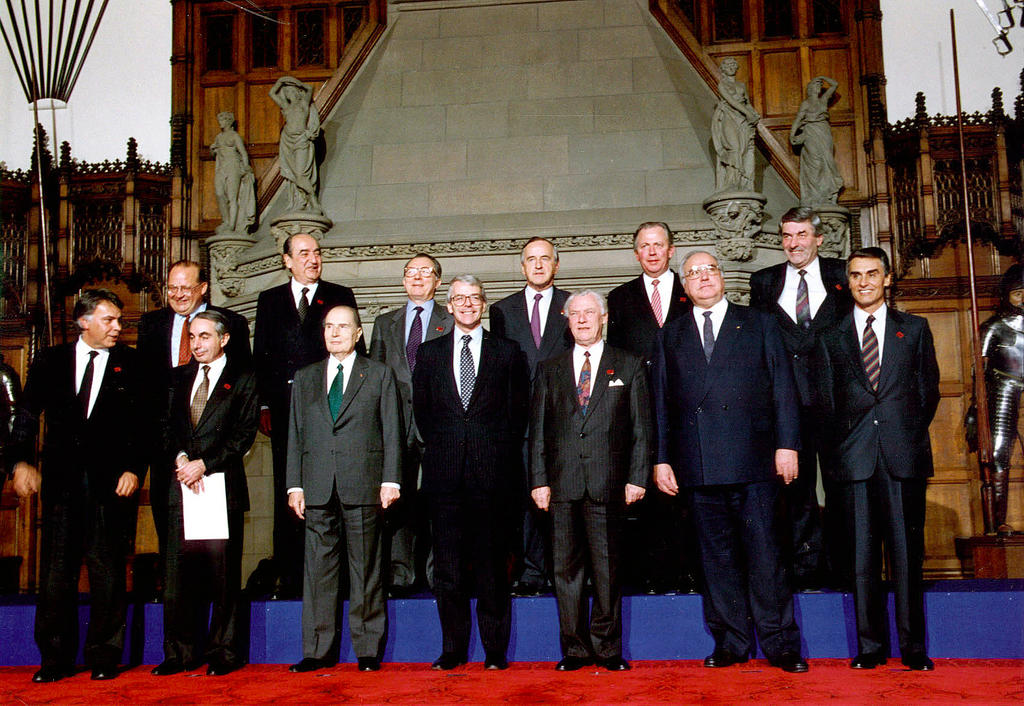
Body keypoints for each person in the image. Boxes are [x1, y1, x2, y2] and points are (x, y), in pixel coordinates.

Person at [651, 252, 808, 674]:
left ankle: (780, 643)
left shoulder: (760, 323)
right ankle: (731, 641)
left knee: (765, 556)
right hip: (697, 464)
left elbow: (783, 388)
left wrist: (787, 444)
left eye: (710, 270)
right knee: (715, 559)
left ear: (722, 277)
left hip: (756, 461)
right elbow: (661, 404)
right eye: (693, 273)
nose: (703, 278)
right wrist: (662, 458)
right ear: (684, 286)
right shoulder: (671, 334)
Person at [815, 247, 939, 671]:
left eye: (872, 274)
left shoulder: (916, 329)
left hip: (903, 457)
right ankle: (870, 647)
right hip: (853, 461)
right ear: (846, 282)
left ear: (887, 279)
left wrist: (898, 432)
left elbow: (928, 394)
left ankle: (913, 648)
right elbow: (825, 404)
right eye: (855, 275)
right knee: (861, 558)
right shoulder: (830, 337)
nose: (864, 282)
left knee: (907, 556)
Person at [11, 289, 143, 682]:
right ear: (84, 321)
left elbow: (144, 425)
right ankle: (54, 659)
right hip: (62, 486)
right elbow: (26, 415)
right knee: (56, 574)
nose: (118, 327)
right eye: (109, 320)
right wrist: (20, 461)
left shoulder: (132, 364)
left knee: (108, 572)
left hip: (111, 486)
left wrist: (134, 469)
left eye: (120, 320)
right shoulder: (51, 360)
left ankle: (104, 657)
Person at [412, 275, 530, 671]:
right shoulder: (428, 355)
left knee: (492, 566)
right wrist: (450, 447)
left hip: (492, 475)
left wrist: (489, 451)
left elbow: (518, 415)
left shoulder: (507, 351)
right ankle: (453, 650)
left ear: (483, 304)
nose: (467, 304)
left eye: (474, 298)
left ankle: (495, 652)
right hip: (444, 476)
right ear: (448, 305)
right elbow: (423, 415)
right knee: (447, 569)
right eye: (459, 298)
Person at [529, 290, 650, 672]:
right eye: (575, 314)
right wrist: (538, 480)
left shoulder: (628, 365)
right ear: (567, 320)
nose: (582, 320)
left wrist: (637, 477)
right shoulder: (549, 369)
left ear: (604, 317)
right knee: (565, 571)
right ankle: (575, 649)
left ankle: (608, 648)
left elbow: (642, 429)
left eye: (589, 313)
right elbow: (538, 433)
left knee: (608, 569)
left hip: (608, 483)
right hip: (561, 485)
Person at [286, 305, 402, 673]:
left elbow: (392, 431)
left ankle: (367, 649)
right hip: (317, 487)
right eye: (329, 327)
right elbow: (296, 435)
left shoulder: (379, 374)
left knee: (366, 569)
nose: (335, 333)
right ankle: (318, 650)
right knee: (317, 573)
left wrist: (391, 478)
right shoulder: (305, 378)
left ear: (357, 334)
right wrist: (294, 484)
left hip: (364, 484)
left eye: (343, 327)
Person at [254, 232, 362, 599]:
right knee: (290, 493)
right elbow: (261, 358)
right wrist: (265, 406)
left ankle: (340, 582)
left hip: (332, 412)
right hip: (286, 415)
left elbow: (356, 355)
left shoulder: (339, 295)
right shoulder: (269, 301)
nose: (313, 259)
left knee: (334, 492)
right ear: (287, 260)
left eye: (317, 253)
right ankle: (291, 579)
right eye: (303, 253)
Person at [749, 207, 852, 591]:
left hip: (839, 407)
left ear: (819, 238)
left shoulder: (842, 276)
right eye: (787, 236)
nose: (794, 243)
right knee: (796, 492)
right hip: (788, 407)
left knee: (843, 489)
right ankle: (806, 571)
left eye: (802, 234)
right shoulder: (763, 282)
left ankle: (846, 570)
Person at [152, 311, 259, 677]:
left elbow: (243, 435)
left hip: (220, 487)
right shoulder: (177, 378)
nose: (197, 344)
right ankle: (179, 653)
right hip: (180, 486)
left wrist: (205, 463)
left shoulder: (242, 379)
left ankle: (223, 652)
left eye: (204, 337)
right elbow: (165, 427)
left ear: (224, 339)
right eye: (192, 337)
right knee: (178, 575)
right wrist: (182, 458)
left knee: (222, 576)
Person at [138, 260, 251, 561]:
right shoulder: (151, 325)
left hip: (216, 456)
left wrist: (207, 459)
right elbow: (145, 390)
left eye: (185, 288)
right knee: (173, 541)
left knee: (217, 555)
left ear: (203, 288)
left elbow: (241, 388)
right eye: (172, 288)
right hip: (168, 450)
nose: (178, 294)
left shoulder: (233, 324)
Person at [606, 222, 694, 595]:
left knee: (686, 491)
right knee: (646, 493)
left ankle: (689, 572)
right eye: (645, 246)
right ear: (636, 252)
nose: (653, 252)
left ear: (672, 250)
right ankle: (651, 575)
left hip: (689, 407)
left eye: (659, 245)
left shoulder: (693, 290)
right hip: (639, 409)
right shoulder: (620, 298)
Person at [490, 237, 571, 597]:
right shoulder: (502, 310)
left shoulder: (574, 305)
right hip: (519, 424)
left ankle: (564, 571)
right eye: (531, 260)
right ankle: (531, 571)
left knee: (563, 498)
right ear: (522, 267)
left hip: (565, 422)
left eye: (545, 259)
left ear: (556, 264)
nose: (538, 265)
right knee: (526, 499)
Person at [368, 253, 453, 595]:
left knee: (439, 502)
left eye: (425, 272)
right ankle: (400, 573)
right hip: (396, 426)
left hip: (438, 426)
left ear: (438, 281)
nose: (417, 278)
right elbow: (372, 377)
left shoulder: (452, 320)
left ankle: (437, 573)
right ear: (403, 280)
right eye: (410, 272)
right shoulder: (384, 322)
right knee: (396, 502)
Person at [978, 263, 1024, 534]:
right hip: (1003, 389)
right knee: (998, 453)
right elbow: (979, 372)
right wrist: (975, 410)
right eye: (1018, 292)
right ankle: (997, 522)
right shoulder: (994, 327)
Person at [270, 76, 323, 214]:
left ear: (297, 92)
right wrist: (281, 81)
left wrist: (295, 82)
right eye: (286, 92)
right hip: (288, 141)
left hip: (301, 140)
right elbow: (272, 93)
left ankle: (313, 202)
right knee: (294, 175)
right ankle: (299, 201)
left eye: (291, 91)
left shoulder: (303, 104)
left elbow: (309, 88)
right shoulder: (286, 106)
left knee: (300, 175)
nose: (288, 94)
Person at [790, 76, 843, 207]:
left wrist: (822, 77)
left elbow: (835, 84)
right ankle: (813, 197)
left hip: (824, 133)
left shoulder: (823, 100)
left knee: (827, 161)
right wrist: (792, 134)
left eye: (819, 85)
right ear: (810, 88)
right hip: (810, 133)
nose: (818, 87)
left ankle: (827, 194)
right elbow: (798, 119)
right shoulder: (806, 103)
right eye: (815, 85)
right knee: (815, 163)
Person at [711, 57, 760, 192]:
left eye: (733, 65)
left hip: (743, 120)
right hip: (729, 117)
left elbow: (747, 103)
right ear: (723, 69)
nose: (731, 67)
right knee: (734, 148)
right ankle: (731, 183)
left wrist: (754, 114)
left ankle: (744, 183)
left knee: (745, 150)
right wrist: (747, 113)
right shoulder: (722, 85)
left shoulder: (741, 85)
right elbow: (732, 101)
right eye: (728, 65)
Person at [211, 110, 256, 234]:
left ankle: (232, 225)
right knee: (220, 194)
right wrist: (213, 150)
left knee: (232, 197)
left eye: (222, 120)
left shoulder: (234, 136)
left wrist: (246, 166)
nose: (220, 123)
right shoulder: (219, 137)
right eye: (219, 120)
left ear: (229, 121)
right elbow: (214, 152)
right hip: (221, 168)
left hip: (233, 166)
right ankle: (226, 220)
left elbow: (243, 153)